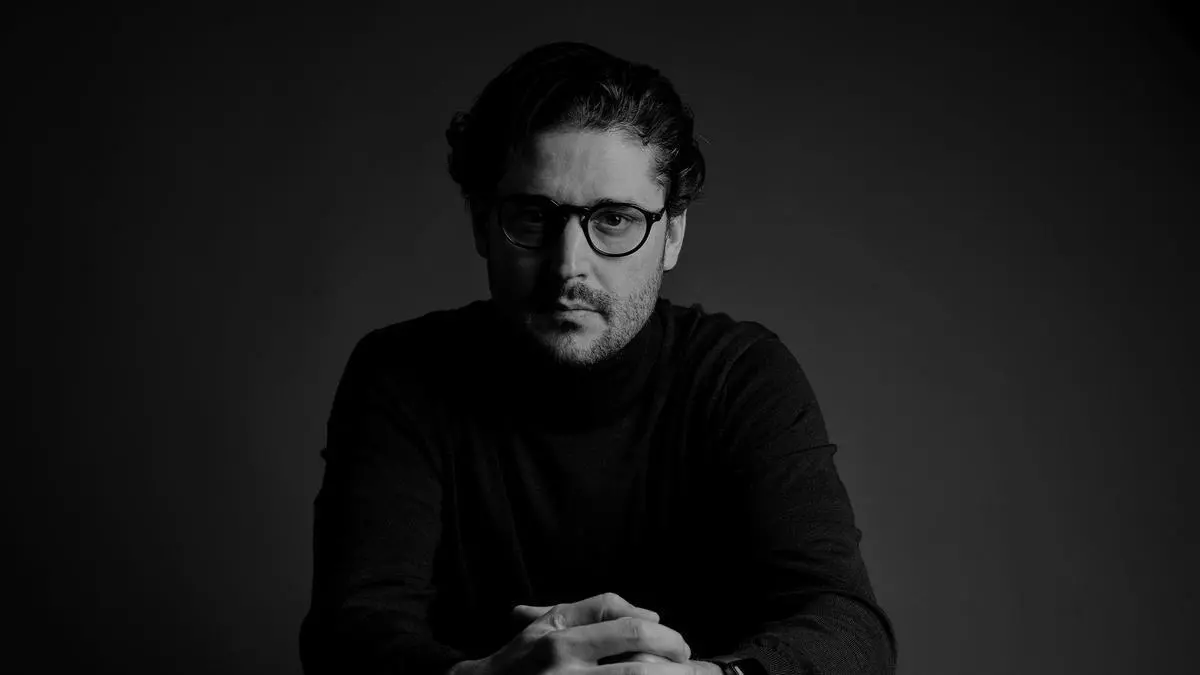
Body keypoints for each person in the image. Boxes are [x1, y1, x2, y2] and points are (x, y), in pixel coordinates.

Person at [299, 41, 898, 675]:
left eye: (614, 219)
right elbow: (351, 632)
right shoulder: (400, 374)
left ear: (672, 234)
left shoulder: (739, 375)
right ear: (481, 224)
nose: (568, 266)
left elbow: (849, 626)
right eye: (534, 216)